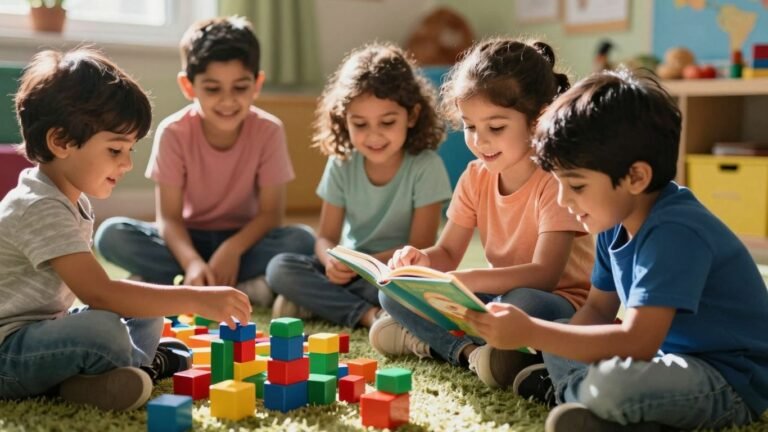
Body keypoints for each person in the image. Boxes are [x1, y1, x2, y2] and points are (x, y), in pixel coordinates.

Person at [465, 68, 768, 431]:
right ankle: (599, 408)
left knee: (611, 384)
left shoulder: (675, 231)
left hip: (728, 379)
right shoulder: (612, 221)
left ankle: (582, 398)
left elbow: (637, 342)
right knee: (563, 333)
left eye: (576, 186)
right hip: (663, 360)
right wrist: (550, 340)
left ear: (636, 178)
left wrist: (531, 333)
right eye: (559, 184)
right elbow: (596, 309)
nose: (564, 199)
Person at [0, 48, 252, 412]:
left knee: (146, 308)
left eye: (130, 149)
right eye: (116, 150)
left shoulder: (67, 197)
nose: (128, 163)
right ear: (60, 142)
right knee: (104, 330)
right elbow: (99, 293)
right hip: (8, 355)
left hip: (44, 330)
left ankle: (104, 378)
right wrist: (196, 298)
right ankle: (137, 368)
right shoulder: (37, 205)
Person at [371, 38, 595, 389]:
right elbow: (447, 253)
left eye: (496, 127)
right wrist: (418, 263)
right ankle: (471, 354)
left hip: (555, 304)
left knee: (518, 301)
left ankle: (440, 343)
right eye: (470, 127)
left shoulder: (554, 179)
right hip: (495, 299)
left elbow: (545, 276)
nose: (480, 141)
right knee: (391, 293)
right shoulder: (475, 177)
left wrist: (468, 281)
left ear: (537, 120)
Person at [94, 16, 315, 306]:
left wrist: (232, 249)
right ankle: (224, 282)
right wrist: (192, 262)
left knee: (303, 240)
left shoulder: (269, 130)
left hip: (245, 241)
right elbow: (169, 219)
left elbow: (271, 214)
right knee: (111, 235)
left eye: (240, 87)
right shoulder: (173, 132)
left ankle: (172, 284)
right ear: (189, 86)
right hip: (187, 240)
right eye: (212, 89)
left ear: (257, 84)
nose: (227, 101)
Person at [265, 42, 452, 328]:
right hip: (350, 269)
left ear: (411, 116)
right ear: (344, 120)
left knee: (410, 288)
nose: (373, 136)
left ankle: (316, 302)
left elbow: (422, 246)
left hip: (394, 272)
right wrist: (332, 262)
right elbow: (325, 237)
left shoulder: (426, 166)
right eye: (360, 124)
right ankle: (368, 316)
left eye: (387, 122)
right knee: (280, 268)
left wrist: (364, 266)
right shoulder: (342, 162)